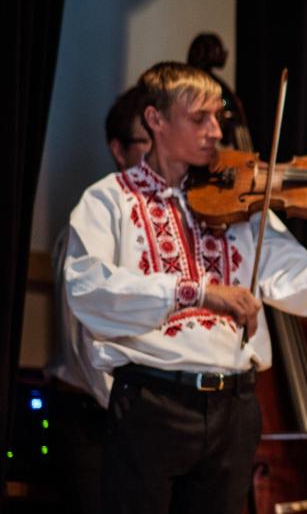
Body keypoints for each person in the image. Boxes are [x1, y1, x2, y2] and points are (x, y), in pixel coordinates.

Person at [64, 61, 307, 514]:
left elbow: (305, 289)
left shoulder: (243, 204)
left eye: (218, 117)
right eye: (199, 118)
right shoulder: (108, 199)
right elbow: (89, 289)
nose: (215, 131)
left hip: (234, 406)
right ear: (155, 120)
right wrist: (200, 291)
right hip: (152, 403)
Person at [46, 85, 152, 514]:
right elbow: (85, 350)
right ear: (118, 150)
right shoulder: (92, 219)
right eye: (148, 143)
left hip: (140, 420)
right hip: (91, 417)